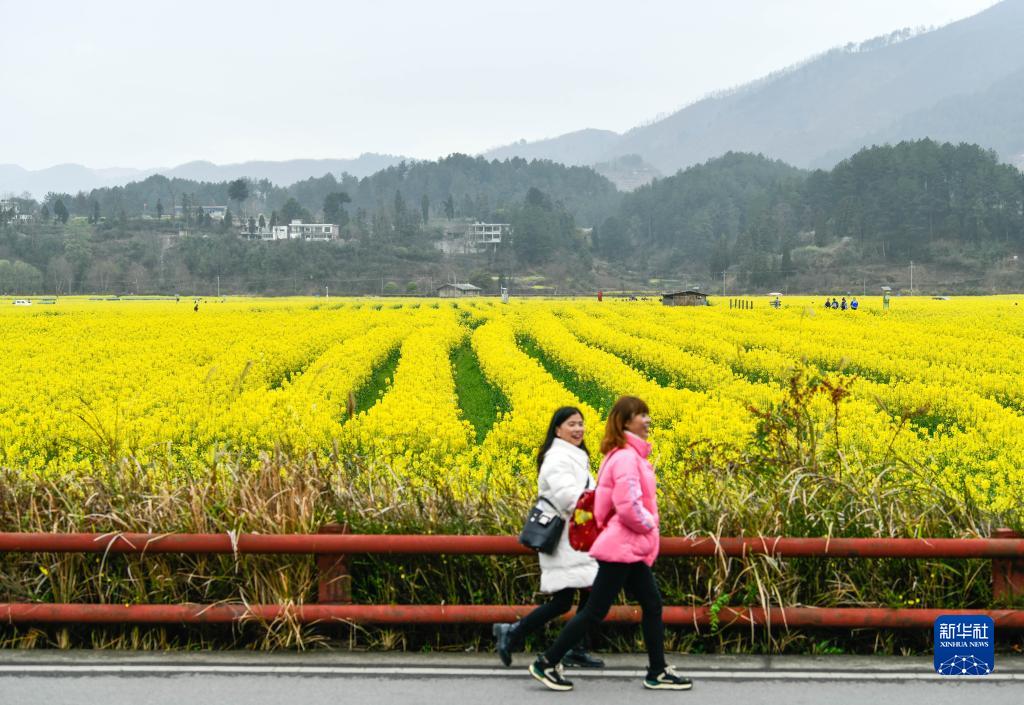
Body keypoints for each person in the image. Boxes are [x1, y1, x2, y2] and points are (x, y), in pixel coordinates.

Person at [529, 396, 692, 692]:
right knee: (595, 610)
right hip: (623, 547)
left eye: (647, 414)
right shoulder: (627, 457)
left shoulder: (621, 454)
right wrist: (649, 524)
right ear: (626, 421)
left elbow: (601, 504)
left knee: (651, 604)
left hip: (626, 546)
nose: (648, 420)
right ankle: (547, 662)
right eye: (641, 415)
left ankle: (657, 670)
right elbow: (626, 505)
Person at [493, 407, 603, 669]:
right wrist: (602, 504)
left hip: (579, 538)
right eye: (571, 424)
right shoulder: (557, 459)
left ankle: (575, 647)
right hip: (565, 539)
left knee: (589, 591)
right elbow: (568, 497)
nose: (578, 429)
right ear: (557, 430)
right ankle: (513, 632)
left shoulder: (576, 457)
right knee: (566, 599)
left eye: (580, 424)